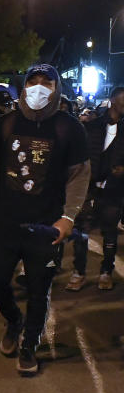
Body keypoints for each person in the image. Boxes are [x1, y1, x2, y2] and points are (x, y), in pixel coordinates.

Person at [0, 63, 89, 376]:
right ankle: (14, 321)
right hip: (6, 224)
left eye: (47, 82)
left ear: (57, 89)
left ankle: (30, 344)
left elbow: (79, 177)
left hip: (47, 229)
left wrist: (68, 218)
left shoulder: (70, 128)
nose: (38, 88)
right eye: (32, 81)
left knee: (40, 289)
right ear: (23, 87)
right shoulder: (4, 125)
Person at [67, 86, 124, 291]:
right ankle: (79, 272)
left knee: (109, 233)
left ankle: (106, 272)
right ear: (112, 100)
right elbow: (81, 155)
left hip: (114, 190)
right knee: (81, 231)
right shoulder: (93, 126)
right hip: (89, 187)